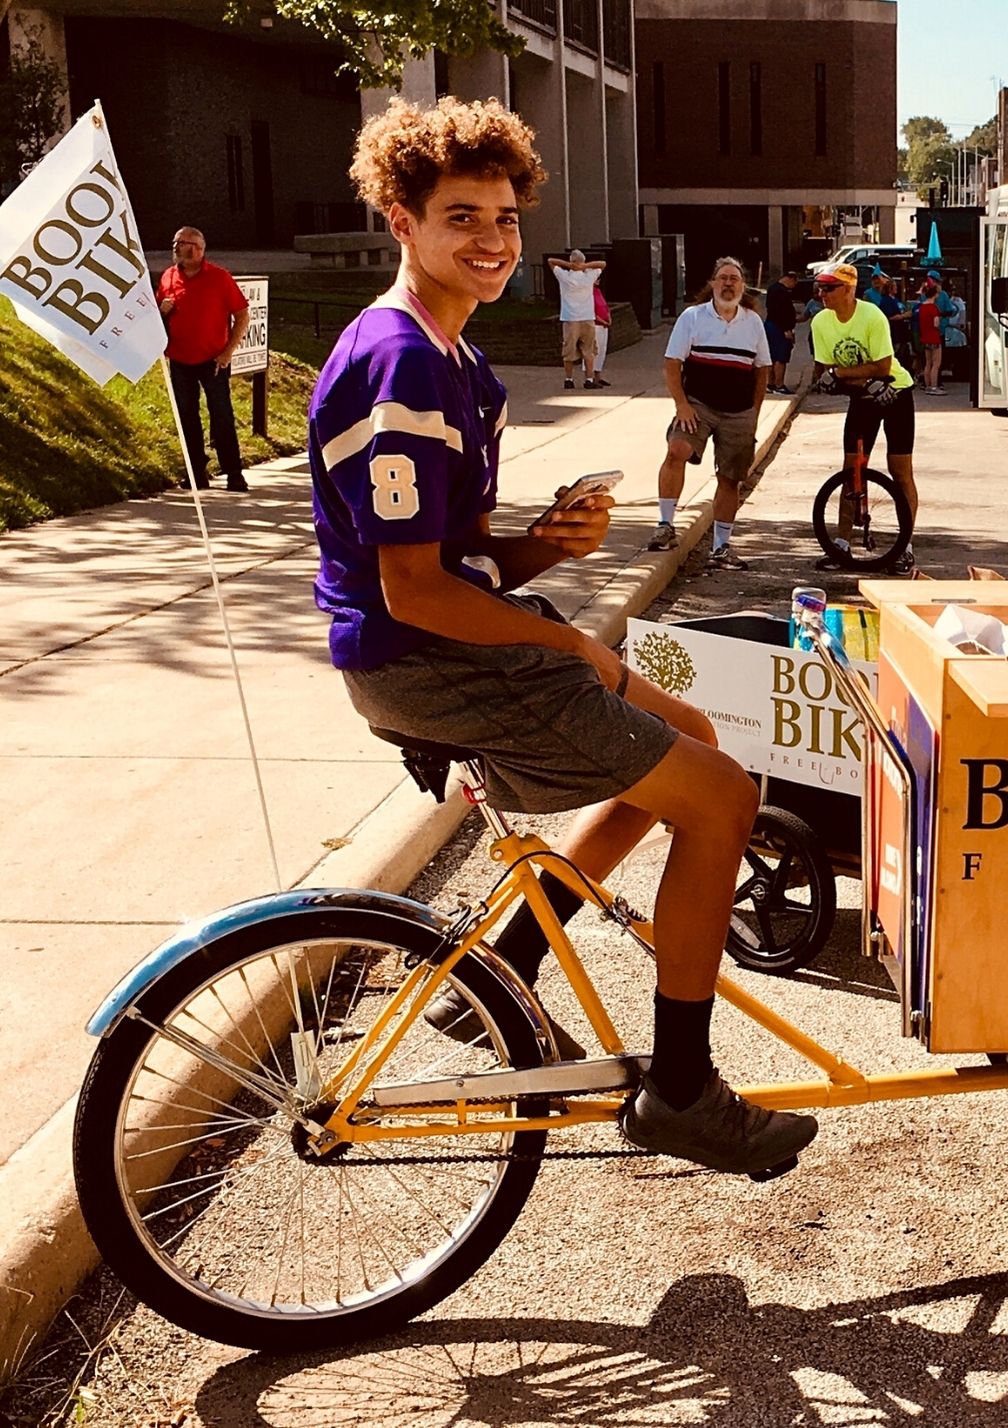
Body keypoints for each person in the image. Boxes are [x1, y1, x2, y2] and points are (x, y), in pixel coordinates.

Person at [313, 97, 815, 1176]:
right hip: (428, 659)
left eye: (504, 216)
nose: (492, 240)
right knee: (720, 799)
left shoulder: (457, 358)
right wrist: (573, 645)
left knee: (692, 744)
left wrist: (545, 547)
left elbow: (453, 561)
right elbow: (411, 592)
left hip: (454, 642)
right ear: (399, 218)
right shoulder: (396, 362)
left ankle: (503, 968)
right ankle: (680, 1090)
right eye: (462, 217)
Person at [648, 256, 771, 569]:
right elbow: (672, 363)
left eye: (735, 279)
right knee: (678, 449)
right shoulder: (693, 317)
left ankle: (721, 547)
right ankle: (665, 525)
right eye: (723, 278)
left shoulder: (753, 322)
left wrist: (755, 413)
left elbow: (762, 371)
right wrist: (681, 404)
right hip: (697, 405)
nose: (728, 284)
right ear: (713, 284)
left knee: (730, 478)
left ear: (744, 286)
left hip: (739, 411)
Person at [808, 263, 918, 570]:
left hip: (895, 393)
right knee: (851, 469)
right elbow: (824, 373)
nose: (822, 294)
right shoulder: (821, 322)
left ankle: (905, 546)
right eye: (820, 288)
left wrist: (840, 373)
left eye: (829, 288)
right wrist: (847, 377)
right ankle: (841, 544)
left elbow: (883, 368)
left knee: (900, 471)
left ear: (848, 289)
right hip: (862, 398)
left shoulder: (872, 316)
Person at [157, 227, 250, 491]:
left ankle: (233, 472)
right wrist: (162, 311)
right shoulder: (168, 277)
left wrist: (227, 352)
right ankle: (196, 472)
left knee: (221, 415)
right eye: (175, 243)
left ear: (200, 249)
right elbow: (155, 317)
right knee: (187, 416)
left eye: (184, 243)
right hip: (179, 359)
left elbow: (242, 315)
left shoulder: (219, 278)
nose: (178, 248)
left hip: (214, 360)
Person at [547, 249, 607, 388]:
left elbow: (550, 260)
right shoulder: (589, 276)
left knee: (569, 350)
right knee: (589, 350)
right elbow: (602, 264)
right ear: (583, 261)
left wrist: (569, 265)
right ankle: (589, 380)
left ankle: (569, 379)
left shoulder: (564, 276)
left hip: (570, 318)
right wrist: (584, 266)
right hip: (587, 317)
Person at [763, 270, 801, 395]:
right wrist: (786, 329)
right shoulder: (781, 292)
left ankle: (771, 383)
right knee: (780, 357)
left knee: (772, 356)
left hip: (771, 325)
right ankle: (779, 385)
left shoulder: (772, 289)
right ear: (791, 279)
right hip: (779, 327)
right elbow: (780, 311)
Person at [915, 272, 950, 395]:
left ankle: (927, 386)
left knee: (927, 363)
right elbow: (936, 323)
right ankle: (934, 386)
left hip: (925, 337)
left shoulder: (922, 307)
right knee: (936, 364)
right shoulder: (934, 307)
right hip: (934, 337)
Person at [591, 281, 613, 386]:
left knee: (602, 350)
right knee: (594, 350)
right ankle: (590, 376)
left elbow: (605, 306)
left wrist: (608, 318)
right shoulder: (588, 293)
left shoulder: (598, 291)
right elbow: (592, 311)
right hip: (596, 325)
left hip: (604, 326)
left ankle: (598, 375)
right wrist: (603, 321)